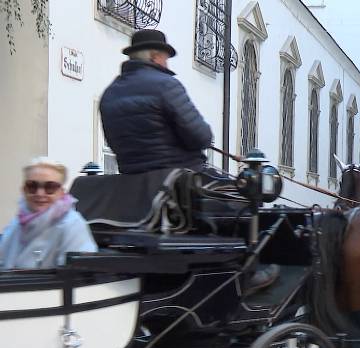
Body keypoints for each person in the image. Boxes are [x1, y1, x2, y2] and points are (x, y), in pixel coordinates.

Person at [99, 29, 213, 174]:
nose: (167, 65)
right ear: (155, 57)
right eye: (166, 59)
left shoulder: (110, 93)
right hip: (176, 178)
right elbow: (201, 137)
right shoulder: (166, 85)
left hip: (130, 179)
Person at [0, 158, 97, 269]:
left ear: (61, 192)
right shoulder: (17, 223)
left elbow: (77, 278)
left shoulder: (72, 225)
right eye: (32, 186)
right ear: (24, 189)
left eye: (50, 187)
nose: (40, 193)